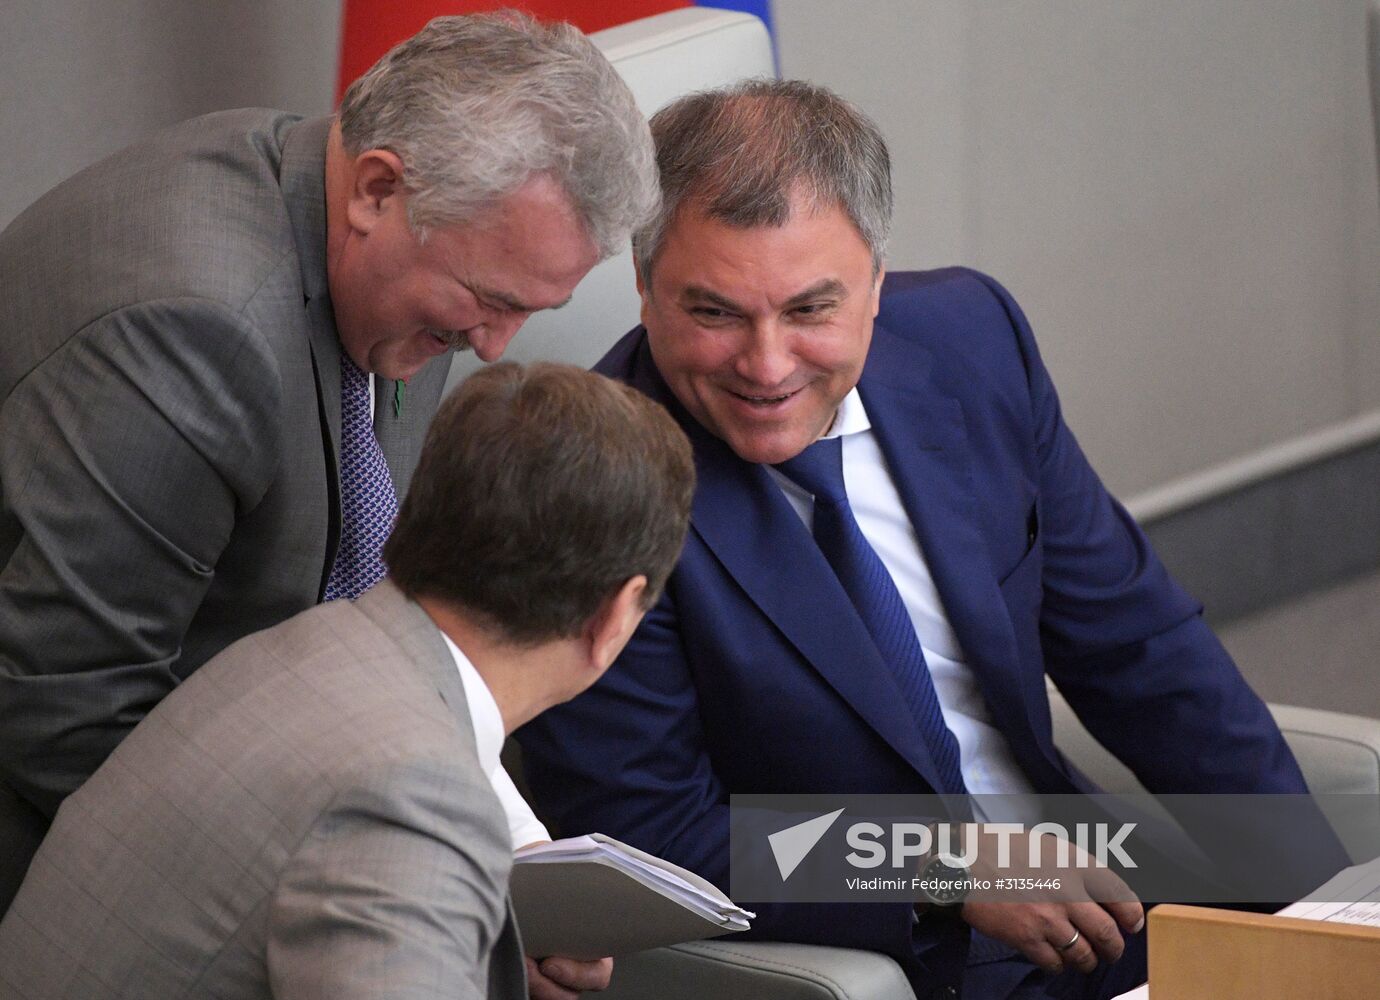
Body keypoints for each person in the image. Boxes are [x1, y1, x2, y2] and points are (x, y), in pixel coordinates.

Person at [515, 80, 1338, 999]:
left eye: (810, 310)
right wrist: (940, 867)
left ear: (875, 280)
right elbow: (651, 832)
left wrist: (1315, 904)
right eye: (713, 313)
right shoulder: (586, 486)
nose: (766, 365)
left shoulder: (972, 340)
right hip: (895, 959)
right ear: (642, 285)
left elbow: (1140, 647)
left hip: (1106, 905)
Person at [0, 10, 657, 916]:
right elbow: (63, 713)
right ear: (378, 189)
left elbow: (385, 625)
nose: (496, 347)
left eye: (528, 312)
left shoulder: (395, 255)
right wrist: (392, 886)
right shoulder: (195, 328)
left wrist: (508, 859)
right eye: (487, 300)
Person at [0, 361, 696, 1000]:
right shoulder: (404, 793)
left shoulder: (302, 648)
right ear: (614, 616)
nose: (767, 361)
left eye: (808, 309)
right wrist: (812, 861)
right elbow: (668, 823)